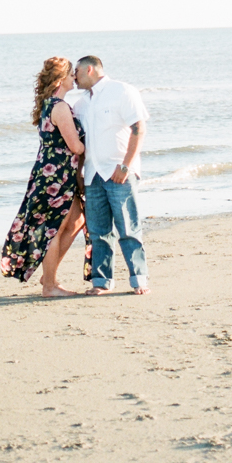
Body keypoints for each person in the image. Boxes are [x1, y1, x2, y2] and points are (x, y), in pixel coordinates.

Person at [0, 57, 91, 297]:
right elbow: (76, 147)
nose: (75, 77)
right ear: (62, 79)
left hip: (55, 173)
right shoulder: (59, 107)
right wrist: (95, 145)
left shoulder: (51, 104)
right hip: (55, 177)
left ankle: (48, 275)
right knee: (55, 228)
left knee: (76, 219)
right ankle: (50, 286)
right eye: (71, 74)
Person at [74, 55, 150, 295]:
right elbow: (80, 143)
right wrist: (79, 174)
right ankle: (101, 282)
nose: (73, 77)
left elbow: (138, 128)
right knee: (98, 232)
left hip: (119, 172)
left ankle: (139, 281)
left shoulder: (122, 91)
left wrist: (126, 166)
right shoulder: (81, 104)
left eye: (76, 71)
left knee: (128, 228)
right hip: (93, 175)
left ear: (89, 70)